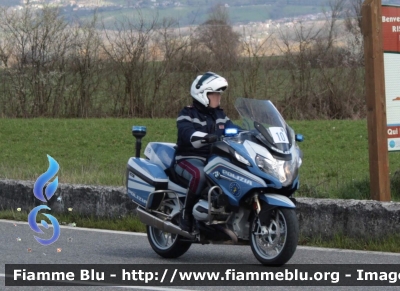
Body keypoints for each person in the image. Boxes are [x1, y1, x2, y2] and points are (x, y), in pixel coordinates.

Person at [174, 72, 241, 232]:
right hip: (188, 158)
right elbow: (186, 133)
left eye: (219, 94)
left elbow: (235, 129)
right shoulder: (187, 113)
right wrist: (206, 137)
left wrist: (253, 134)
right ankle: (187, 215)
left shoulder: (220, 115)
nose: (218, 97)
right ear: (202, 95)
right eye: (215, 94)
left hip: (212, 158)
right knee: (200, 175)